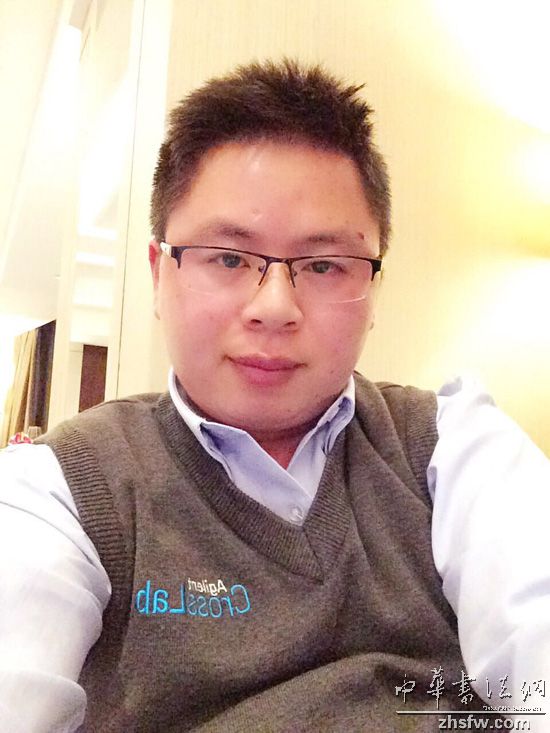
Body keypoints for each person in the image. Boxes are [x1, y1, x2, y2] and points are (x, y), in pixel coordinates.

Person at [1, 59, 549, 733]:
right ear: (159, 273)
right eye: (229, 258)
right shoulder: (63, 491)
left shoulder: (452, 446)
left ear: (373, 287)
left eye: (323, 265)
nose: (275, 308)